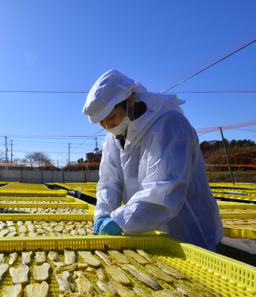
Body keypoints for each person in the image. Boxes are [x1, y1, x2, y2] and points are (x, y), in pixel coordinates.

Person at [82, 70, 223, 251]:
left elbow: (164, 190)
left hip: (188, 231)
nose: (108, 126)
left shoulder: (169, 125)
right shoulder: (112, 139)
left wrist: (120, 220)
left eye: (112, 118)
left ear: (130, 102)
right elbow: (109, 183)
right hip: (145, 231)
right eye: (102, 123)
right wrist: (103, 213)